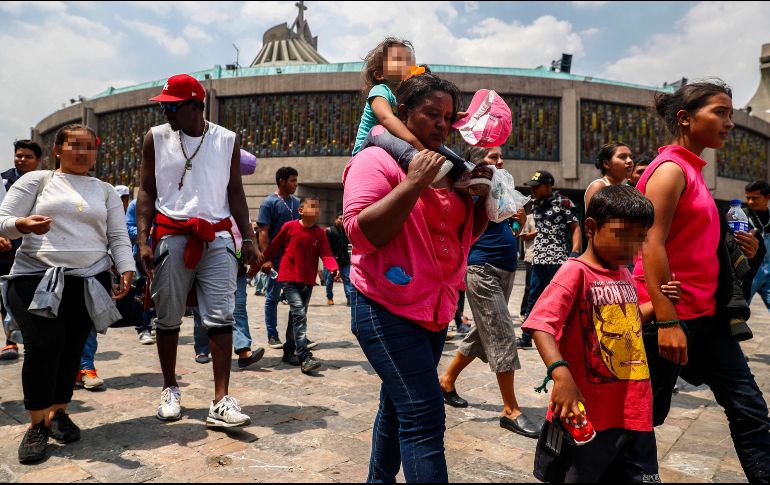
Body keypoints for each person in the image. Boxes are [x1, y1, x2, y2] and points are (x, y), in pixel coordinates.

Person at [344, 72, 491, 482]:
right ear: (403, 113)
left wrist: (479, 197)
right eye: (431, 114)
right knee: (424, 415)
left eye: (448, 117)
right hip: (383, 305)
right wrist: (413, 183)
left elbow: (460, 235)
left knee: (397, 406)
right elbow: (360, 233)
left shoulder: (448, 170)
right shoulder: (375, 160)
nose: (442, 125)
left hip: (434, 308)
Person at [634, 79, 770, 481]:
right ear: (685, 118)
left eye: (730, 113)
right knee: (642, 419)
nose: (729, 123)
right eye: (720, 113)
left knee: (750, 411)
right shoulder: (670, 170)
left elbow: (689, 244)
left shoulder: (692, 171)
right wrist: (668, 320)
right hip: (667, 318)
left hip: (708, 318)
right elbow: (649, 242)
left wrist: (740, 251)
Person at [524, 185, 679, 482]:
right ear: (592, 228)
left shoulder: (622, 273)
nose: (632, 247)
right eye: (624, 235)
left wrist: (660, 302)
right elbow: (540, 324)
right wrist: (561, 375)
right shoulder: (575, 272)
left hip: (633, 411)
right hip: (589, 416)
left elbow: (627, 318)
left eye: (640, 238)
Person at [0, 124, 135, 463]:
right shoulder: (37, 180)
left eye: (89, 147)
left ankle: (58, 412)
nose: (82, 152)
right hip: (36, 279)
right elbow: (2, 219)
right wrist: (23, 226)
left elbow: (117, 236)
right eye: (74, 145)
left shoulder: (104, 190)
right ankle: (36, 424)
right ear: (58, 148)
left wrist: (126, 266)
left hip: (89, 281)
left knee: (72, 349)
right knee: (43, 348)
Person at [136, 74, 261, 428]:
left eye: (172, 106)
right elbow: (146, 190)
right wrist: (143, 239)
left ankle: (220, 399)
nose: (166, 112)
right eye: (163, 106)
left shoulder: (226, 140)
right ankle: (170, 387)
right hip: (172, 232)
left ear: (195, 105)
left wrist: (248, 238)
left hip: (218, 236)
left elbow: (235, 191)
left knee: (222, 316)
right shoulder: (156, 138)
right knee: (168, 315)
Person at [438, 145, 540, 439]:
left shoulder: (499, 190)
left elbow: (506, 229)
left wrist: (517, 223)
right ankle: (510, 410)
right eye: (494, 157)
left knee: (483, 333)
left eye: (500, 156)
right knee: (503, 332)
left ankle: (447, 379)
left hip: (506, 269)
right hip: (481, 268)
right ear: (475, 162)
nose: (501, 161)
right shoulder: (470, 188)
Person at [353, 37, 481, 192]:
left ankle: (464, 172)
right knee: (379, 131)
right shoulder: (380, 90)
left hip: (397, 144)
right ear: (380, 75)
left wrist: (451, 121)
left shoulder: (405, 98)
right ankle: (422, 161)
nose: (406, 65)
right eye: (398, 61)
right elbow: (387, 119)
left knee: (439, 146)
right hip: (369, 145)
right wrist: (418, 146)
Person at [263, 196, 338, 374]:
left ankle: (289, 351)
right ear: (301, 210)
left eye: (318, 207)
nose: (316, 210)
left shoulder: (320, 233)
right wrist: (263, 261)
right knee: (299, 313)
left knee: (295, 317)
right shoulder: (289, 227)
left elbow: (326, 254)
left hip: (308, 280)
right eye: (312, 206)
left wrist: (333, 268)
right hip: (288, 278)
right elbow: (274, 247)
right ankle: (304, 356)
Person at [76, 184, 131, 391]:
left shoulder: (106, 203)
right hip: (62, 272)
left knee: (91, 321)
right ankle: (70, 369)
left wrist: (121, 270)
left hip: (97, 271)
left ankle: (87, 367)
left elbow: (118, 239)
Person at [517, 170, 581, 348]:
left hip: (558, 259)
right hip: (539, 258)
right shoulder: (536, 204)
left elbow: (575, 227)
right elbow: (544, 228)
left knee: (560, 299)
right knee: (533, 298)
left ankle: (565, 337)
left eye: (536, 187)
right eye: (532, 187)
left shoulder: (563, 202)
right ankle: (526, 337)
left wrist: (575, 253)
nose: (533, 190)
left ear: (548, 186)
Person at [0, 139, 41, 360]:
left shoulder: (46, 182)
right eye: (19, 155)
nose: (22, 159)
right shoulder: (2, 180)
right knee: (7, 294)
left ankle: (33, 338)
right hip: (6, 249)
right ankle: (11, 340)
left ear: (38, 160)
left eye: (28, 156)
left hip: (35, 249)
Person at [257, 166, 300, 349]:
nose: (295, 185)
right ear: (281, 181)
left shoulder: (297, 203)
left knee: (296, 299)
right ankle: (272, 335)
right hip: (276, 259)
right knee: (273, 297)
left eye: (296, 181)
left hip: (294, 259)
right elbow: (263, 232)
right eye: (292, 181)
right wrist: (266, 258)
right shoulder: (269, 203)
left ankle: (297, 336)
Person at [125, 197, 156, 345]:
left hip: (165, 254)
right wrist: (146, 233)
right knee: (143, 292)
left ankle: (159, 322)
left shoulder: (166, 201)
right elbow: (128, 227)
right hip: (142, 256)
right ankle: (144, 329)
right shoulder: (135, 205)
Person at [745, 180, 770, 313]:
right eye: (748, 198)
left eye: (755, 198)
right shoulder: (742, 216)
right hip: (749, 272)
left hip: (769, 271)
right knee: (738, 311)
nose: (750, 202)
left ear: (767, 197)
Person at [583, 141, 633, 207]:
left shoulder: (629, 189)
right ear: (606, 164)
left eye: (631, 157)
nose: (630, 161)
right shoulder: (598, 186)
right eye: (622, 157)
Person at [324, 212, 352, 306]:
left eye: (343, 219)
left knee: (347, 279)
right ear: (336, 219)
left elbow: (349, 245)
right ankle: (330, 297)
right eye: (340, 218)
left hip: (345, 261)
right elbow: (326, 247)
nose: (342, 221)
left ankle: (349, 297)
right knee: (329, 280)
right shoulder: (330, 230)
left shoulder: (346, 231)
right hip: (332, 261)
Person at [518, 211, 536, 320]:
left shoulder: (547, 217)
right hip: (531, 256)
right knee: (529, 287)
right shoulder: (529, 218)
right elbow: (523, 236)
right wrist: (538, 232)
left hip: (544, 258)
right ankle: (523, 311)